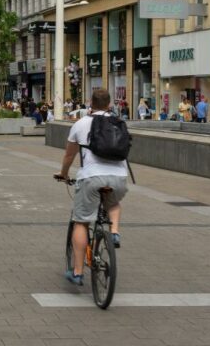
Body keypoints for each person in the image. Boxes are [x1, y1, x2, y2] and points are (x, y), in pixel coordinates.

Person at [54, 89, 128, 285]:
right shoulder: (119, 123)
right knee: (113, 204)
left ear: (90, 104)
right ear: (109, 104)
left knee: (81, 222)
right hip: (119, 177)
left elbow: (69, 155)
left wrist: (63, 174)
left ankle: (77, 272)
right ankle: (114, 232)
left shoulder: (81, 124)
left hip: (91, 178)